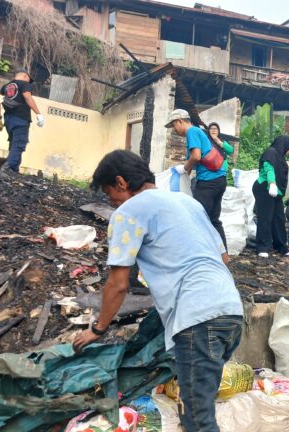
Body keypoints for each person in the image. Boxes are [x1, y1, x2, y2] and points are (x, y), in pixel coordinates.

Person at [73, 150, 243, 432]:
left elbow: (118, 284)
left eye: (110, 195)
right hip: (230, 312)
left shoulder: (129, 211)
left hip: (198, 319)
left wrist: (98, 329)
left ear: (121, 182)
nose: (112, 202)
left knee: (198, 421)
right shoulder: (188, 203)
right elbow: (223, 258)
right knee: (197, 411)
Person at [166, 110, 230, 247]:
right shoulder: (198, 131)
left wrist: (184, 169)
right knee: (213, 220)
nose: (174, 129)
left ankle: (202, 252)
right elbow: (194, 159)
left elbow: (196, 156)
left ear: (179, 121)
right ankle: (223, 255)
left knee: (199, 219)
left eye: (173, 125)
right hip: (219, 179)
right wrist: (186, 173)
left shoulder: (192, 132)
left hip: (208, 182)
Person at [253, 135, 289, 258]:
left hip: (276, 191)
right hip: (264, 187)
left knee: (279, 218)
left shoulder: (280, 157)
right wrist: (272, 183)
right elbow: (269, 168)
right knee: (265, 217)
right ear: (284, 145)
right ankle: (262, 247)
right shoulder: (271, 152)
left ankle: (281, 247)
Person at [0, 68, 44, 172]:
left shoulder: (7, 86)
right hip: (20, 119)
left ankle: (14, 170)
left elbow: (2, 92)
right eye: (29, 80)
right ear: (25, 76)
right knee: (20, 143)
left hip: (9, 119)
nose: (29, 83)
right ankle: (8, 166)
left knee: (14, 144)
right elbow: (28, 97)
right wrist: (38, 114)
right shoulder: (24, 84)